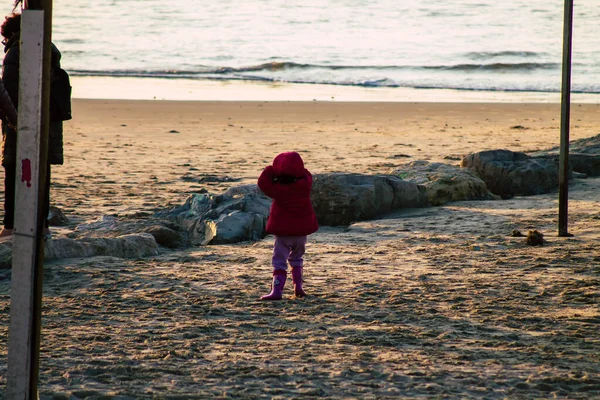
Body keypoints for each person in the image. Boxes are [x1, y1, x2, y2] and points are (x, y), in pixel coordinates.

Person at [0, 12, 65, 239]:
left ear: (11, 34)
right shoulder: (49, 49)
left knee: (14, 172)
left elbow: (6, 89)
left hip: (20, 121)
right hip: (47, 123)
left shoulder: (16, 51)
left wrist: (11, 120)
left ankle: (10, 227)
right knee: (41, 174)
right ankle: (42, 226)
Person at [257, 151, 319, 300]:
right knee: (297, 258)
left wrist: (270, 169)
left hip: (283, 234)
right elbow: (307, 174)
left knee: (279, 261)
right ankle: (298, 287)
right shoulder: (305, 185)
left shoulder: (278, 190)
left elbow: (262, 183)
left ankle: (277, 290)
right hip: (301, 234)